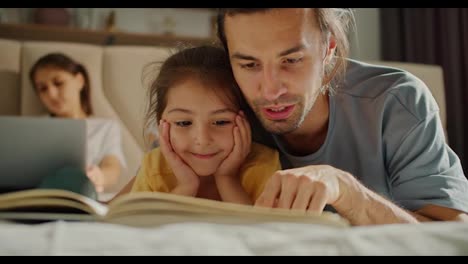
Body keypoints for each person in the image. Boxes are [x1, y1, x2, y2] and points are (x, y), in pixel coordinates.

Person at [216, 8, 468, 224]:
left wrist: (348, 191)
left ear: (328, 48)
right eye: (249, 65)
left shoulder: (396, 100)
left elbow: (452, 237)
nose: (270, 91)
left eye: (291, 60)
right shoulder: (216, 110)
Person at [130, 45, 281, 204]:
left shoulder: (263, 165)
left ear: (247, 122)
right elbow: (139, 225)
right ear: (161, 125)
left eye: (221, 122)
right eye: (183, 123)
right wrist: (186, 186)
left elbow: (257, 228)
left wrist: (227, 178)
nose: (202, 139)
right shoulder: (154, 167)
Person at [29, 53, 127, 194]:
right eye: (43, 88)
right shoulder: (33, 128)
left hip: (82, 198)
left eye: (58, 83)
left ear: (80, 81)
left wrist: (99, 177)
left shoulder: (106, 127)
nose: (51, 94)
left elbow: (112, 167)